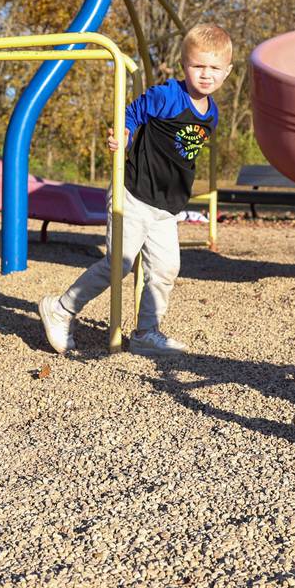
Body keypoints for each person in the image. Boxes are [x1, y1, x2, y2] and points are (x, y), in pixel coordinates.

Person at [39, 24, 233, 356]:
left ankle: (146, 332)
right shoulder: (168, 96)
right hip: (134, 192)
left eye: (214, 68)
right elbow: (131, 113)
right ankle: (61, 307)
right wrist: (124, 135)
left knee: (166, 268)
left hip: (166, 207)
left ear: (227, 72)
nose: (205, 75)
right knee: (120, 264)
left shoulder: (211, 114)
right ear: (184, 65)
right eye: (198, 66)